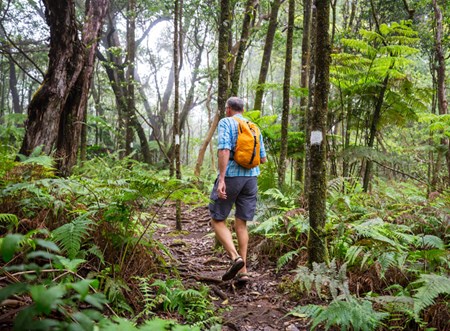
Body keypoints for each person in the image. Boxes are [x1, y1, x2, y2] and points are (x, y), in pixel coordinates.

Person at [208, 96, 267, 282]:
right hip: (251, 178)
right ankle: (244, 272)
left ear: (228, 109)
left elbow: (224, 149)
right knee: (241, 223)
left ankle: (236, 258)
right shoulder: (254, 126)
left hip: (232, 176)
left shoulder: (226, 122)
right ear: (243, 109)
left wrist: (222, 178)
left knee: (217, 219)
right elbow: (263, 159)